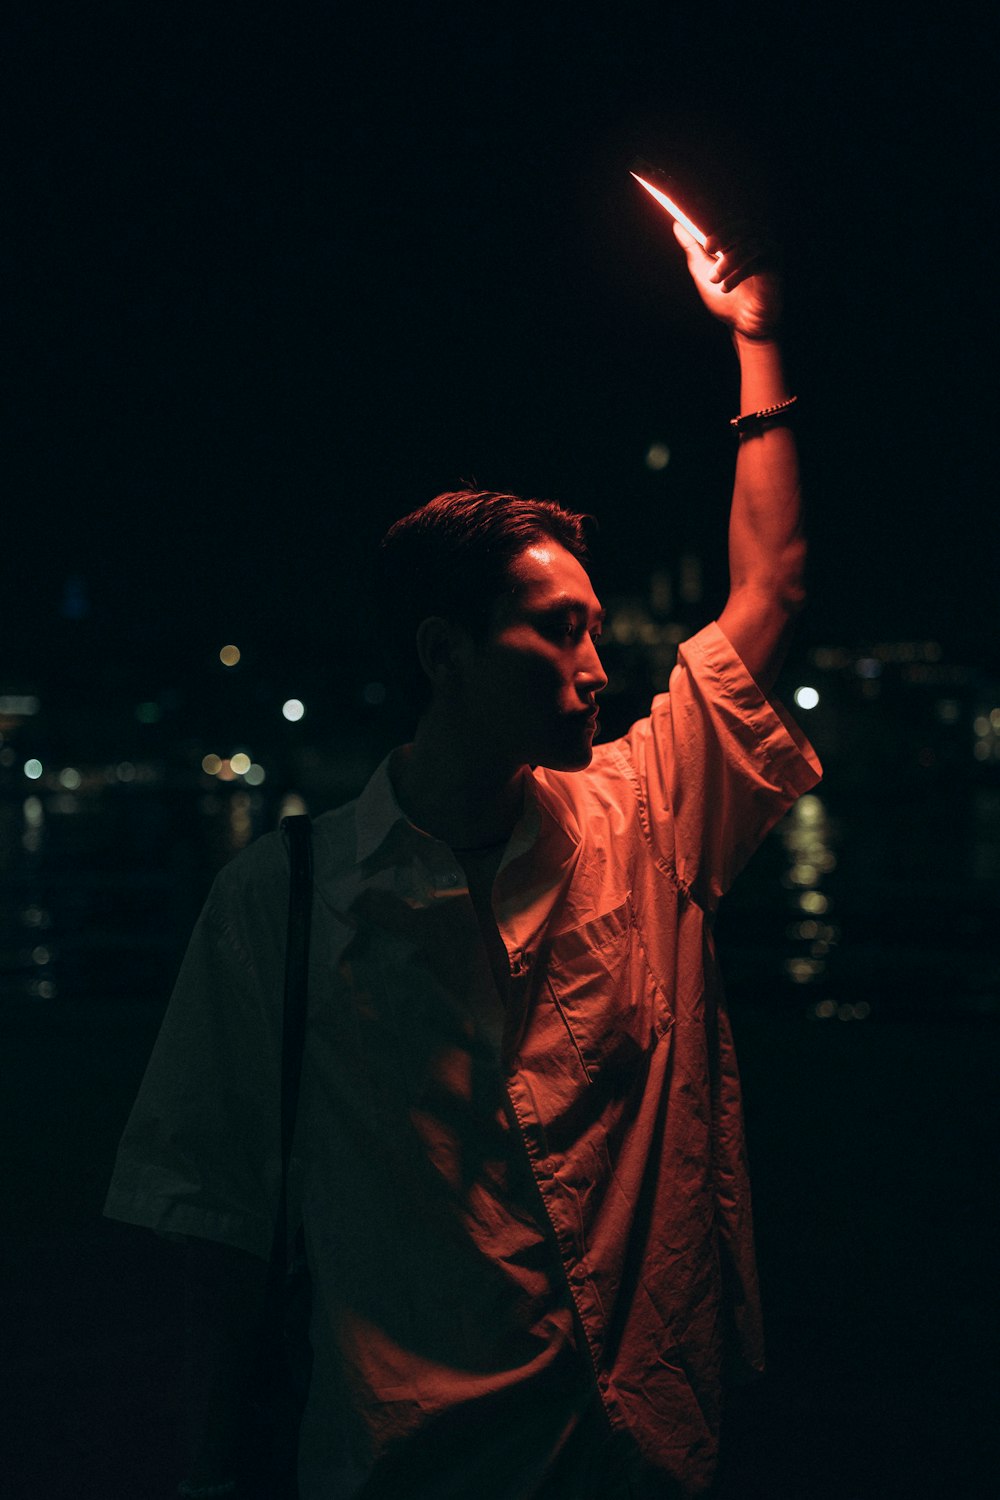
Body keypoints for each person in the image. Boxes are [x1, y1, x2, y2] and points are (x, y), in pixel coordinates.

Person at [105, 216, 821, 1499]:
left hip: (645, 1456)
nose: (599, 668)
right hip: (406, 1468)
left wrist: (757, 347)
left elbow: (768, 594)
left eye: (597, 629)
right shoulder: (284, 901)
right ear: (442, 653)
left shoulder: (647, 814)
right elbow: (206, 1227)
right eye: (559, 633)